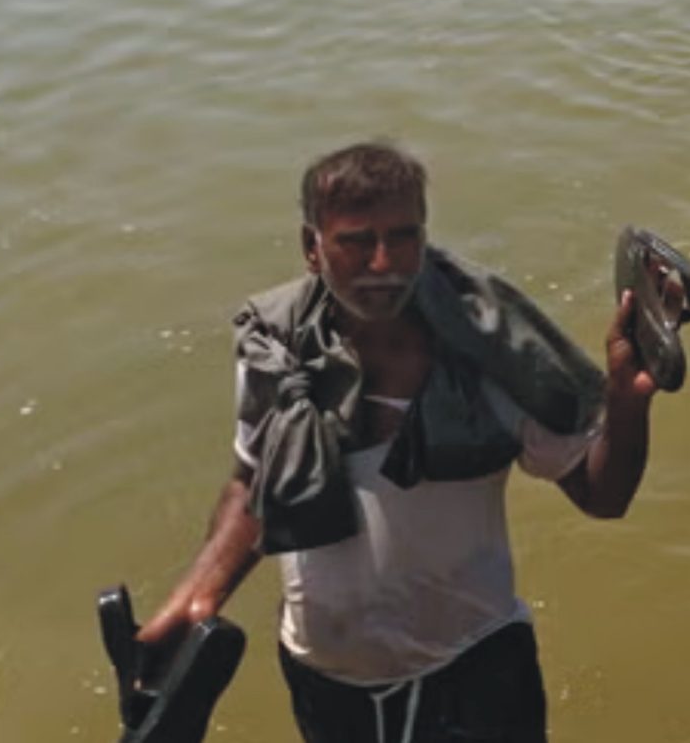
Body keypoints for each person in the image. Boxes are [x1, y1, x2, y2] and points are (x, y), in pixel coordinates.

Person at [131, 142, 662, 743]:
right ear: (313, 247)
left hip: (476, 660)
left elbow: (603, 494)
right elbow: (253, 482)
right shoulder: (278, 349)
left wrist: (626, 396)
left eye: (403, 237)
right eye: (357, 241)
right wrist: (196, 599)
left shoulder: (487, 353)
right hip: (327, 672)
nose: (384, 262)